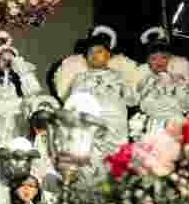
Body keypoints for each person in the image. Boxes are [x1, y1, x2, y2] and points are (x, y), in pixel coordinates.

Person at [54, 25, 140, 170]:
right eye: (90, 52)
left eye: (99, 51)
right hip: (91, 128)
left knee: (115, 167)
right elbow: (73, 105)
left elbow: (133, 100)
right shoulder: (80, 78)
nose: (94, 55)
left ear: (108, 55)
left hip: (115, 128)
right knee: (92, 166)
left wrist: (122, 87)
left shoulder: (118, 76)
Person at [130, 27, 189, 141]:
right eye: (154, 58)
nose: (159, 62)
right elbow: (141, 105)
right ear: (148, 62)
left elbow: (187, 104)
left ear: (170, 59)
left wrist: (175, 85)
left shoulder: (178, 79)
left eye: (163, 58)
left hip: (175, 125)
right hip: (153, 127)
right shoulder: (145, 81)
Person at [0, 31, 42, 140]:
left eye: (10, 60)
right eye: (3, 60)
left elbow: (33, 91)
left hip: (18, 125)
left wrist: (21, 70)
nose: (7, 63)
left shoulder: (23, 78)